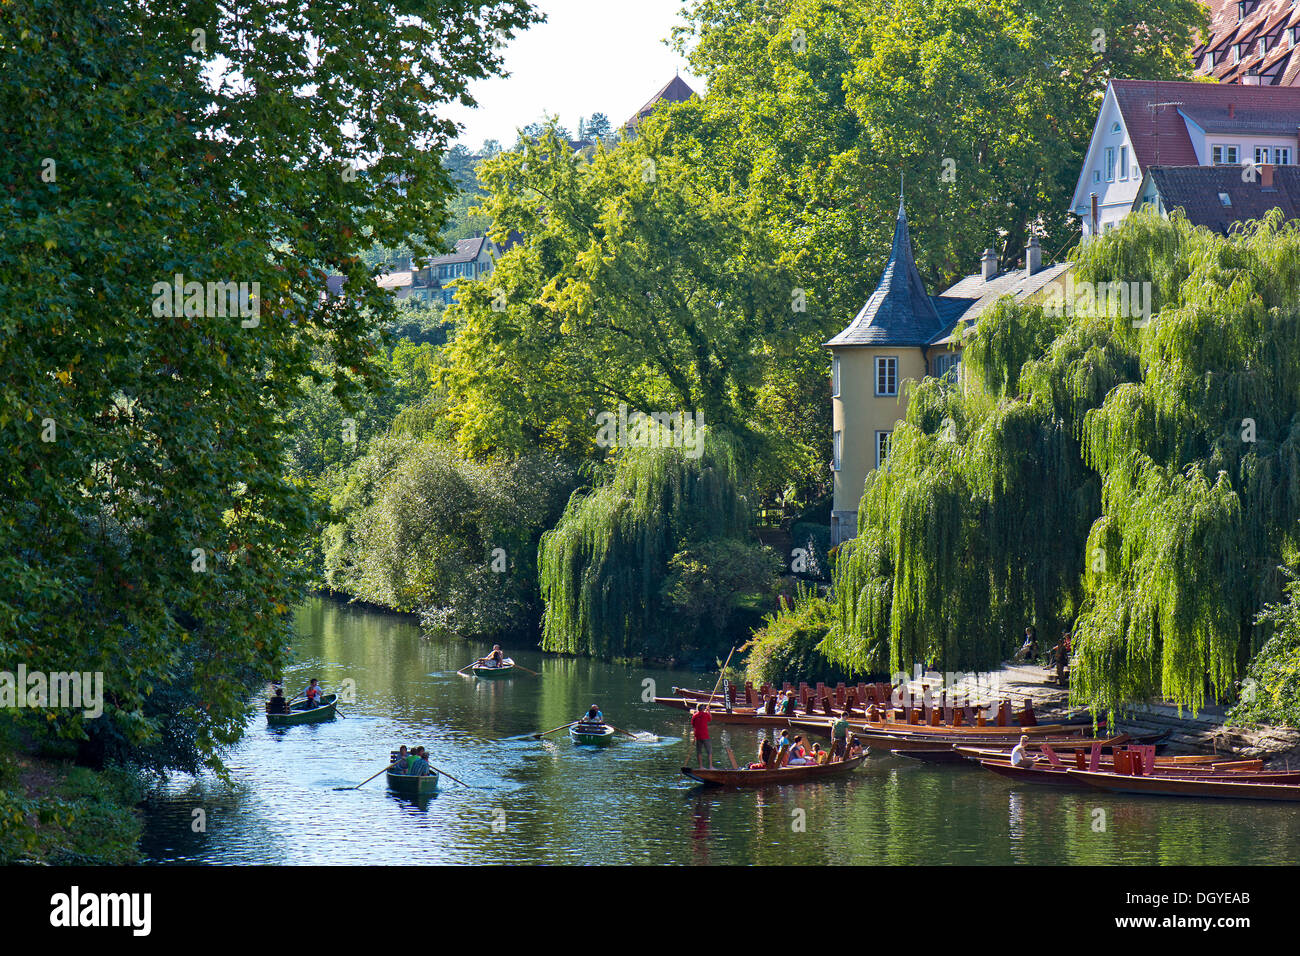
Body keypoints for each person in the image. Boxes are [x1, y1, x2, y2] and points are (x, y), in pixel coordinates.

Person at [689, 702, 713, 769]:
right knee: (709, 751)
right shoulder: (705, 714)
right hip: (705, 735)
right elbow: (710, 719)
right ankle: (710, 766)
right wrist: (709, 711)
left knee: (699, 751)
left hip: (697, 736)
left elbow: (693, 725)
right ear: (703, 709)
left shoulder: (694, 716)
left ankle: (701, 766)